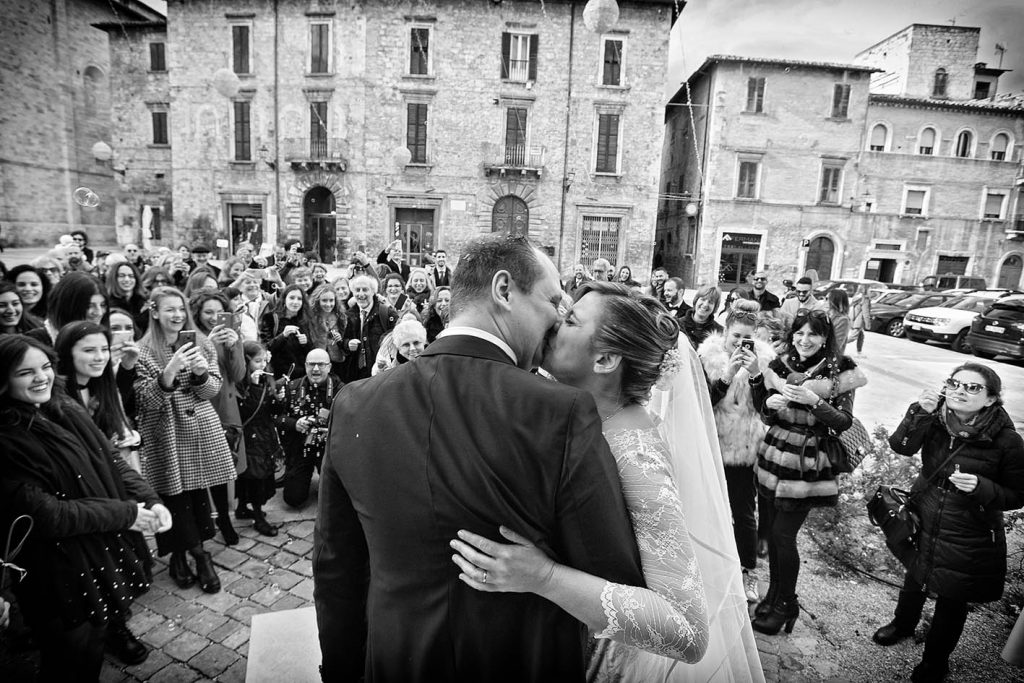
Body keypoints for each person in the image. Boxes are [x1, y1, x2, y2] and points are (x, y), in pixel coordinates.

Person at [314, 235, 647, 682]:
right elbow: (615, 583)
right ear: (504, 290)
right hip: (523, 661)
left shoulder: (355, 402)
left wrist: (341, 670)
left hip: (396, 657)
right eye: (553, 301)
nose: (557, 320)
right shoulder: (560, 411)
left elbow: (337, 567)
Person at [450, 280, 764, 682]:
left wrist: (544, 577)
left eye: (570, 321)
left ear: (605, 360)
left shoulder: (636, 453)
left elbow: (688, 632)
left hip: (599, 662)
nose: (553, 322)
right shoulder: (567, 409)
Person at [0, 335, 171, 679]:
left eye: (46, 367)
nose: (41, 378)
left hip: (95, 551)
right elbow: (49, 514)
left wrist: (150, 499)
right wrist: (128, 515)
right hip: (55, 572)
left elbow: (110, 461)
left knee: (93, 642)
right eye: (25, 373)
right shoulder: (7, 438)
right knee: (68, 658)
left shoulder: (62, 407)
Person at [873, 363, 1024, 682]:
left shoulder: (1008, 441)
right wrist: (918, 411)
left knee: (952, 596)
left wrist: (983, 488)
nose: (960, 391)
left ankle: (935, 663)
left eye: (973, 387)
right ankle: (902, 625)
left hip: (968, 528)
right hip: (925, 510)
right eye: (955, 383)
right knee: (915, 575)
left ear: (991, 399)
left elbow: (1017, 495)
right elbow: (901, 446)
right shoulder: (935, 418)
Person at [750, 308, 861, 635]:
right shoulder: (781, 363)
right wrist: (768, 405)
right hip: (773, 455)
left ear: (825, 337)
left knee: (784, 536)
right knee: (771, 532)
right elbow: (766, 414)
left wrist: (815, 401)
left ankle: (787, 604)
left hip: (807, 462)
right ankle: (772, 596)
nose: (804, 340)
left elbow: (843, 423)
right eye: (799, 333)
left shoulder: (841, 370)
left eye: (812, 333)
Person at [134, 287, 236, 594]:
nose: (177, 315)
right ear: (154, 312)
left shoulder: (201, 343)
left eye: (180, 309)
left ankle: (194, 552)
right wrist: (170, 372)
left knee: (195, 495)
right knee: (171, 494)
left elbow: (212, 391)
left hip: (198, 429)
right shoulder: (143, 350)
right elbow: (144, 399)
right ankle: (190, 554)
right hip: (165, 430)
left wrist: (202, 374)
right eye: (169, 309)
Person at [697, 299, 773, 604]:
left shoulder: (765, 362)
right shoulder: (706, 358)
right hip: (711, 443)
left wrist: (755, 374)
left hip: (743, 446)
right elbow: (702, 404)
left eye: (747, 338)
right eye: (735, 337)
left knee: (742, 511)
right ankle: (708, 565)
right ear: (724, 333)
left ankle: (747, 570)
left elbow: (766, 409)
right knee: (707, 507)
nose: (741, 343)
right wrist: (727, 374)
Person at [191, 290, 247, 546]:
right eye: (208, 313)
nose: (214, 318)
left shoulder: (231, 334)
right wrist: (209, 344)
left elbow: (237, 374)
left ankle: (224, 517)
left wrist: (235, 345)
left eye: (218, 313)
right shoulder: (192, 336)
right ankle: (203, 520)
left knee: (224, 466)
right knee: (199, 466)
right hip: (200, 406)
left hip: (226, 408)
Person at [278, 348, 340, 509]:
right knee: (293, 499)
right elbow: (277, 418)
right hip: (300, 448)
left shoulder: (341, 390)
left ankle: (328, 480)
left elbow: (352, 422)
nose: (316, 369)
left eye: (321, 364)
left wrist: (331, 429)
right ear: (305, 366)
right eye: (311, 364)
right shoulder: (292, 388)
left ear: (329, 367)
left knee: (334, 500)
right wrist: (295, 423)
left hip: (329, 450)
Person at [236, 341, 283, 536]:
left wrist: (279, 398)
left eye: (264, 360)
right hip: (250, 436)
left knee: (257, 474)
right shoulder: (241, 384)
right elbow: (247, 411)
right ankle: (257, 517)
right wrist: (255, 387)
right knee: (254, 476)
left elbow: (274, 411)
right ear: (246, 362)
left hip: (264, 435)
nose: (262, 365)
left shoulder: (267, 378)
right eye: (257, 361)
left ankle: (242, 508)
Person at [340, 274, 398, 382]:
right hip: (356, 375)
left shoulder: (386, 313)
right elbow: (341, 341)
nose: (361, 294)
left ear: (373, 291)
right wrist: (347, 344)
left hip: (380, 373)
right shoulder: (347, 315)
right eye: (357, 290)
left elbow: (396, 340)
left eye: (365, 290)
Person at [27, 271, 107, 345]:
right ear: (68, 306)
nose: (99, 312)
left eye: (103, 305)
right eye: (89, 306)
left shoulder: (104, 338)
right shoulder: (36, 341)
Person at [260, 283, 313, 380]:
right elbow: (265, 348)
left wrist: (306, 343)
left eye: (299, 299)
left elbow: (311, 351)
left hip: (301, 375)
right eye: (292, 298)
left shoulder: (305, 320)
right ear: (284, 299)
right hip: (279, 375)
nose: (295, 302)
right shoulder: (271, 318)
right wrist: (283, 336)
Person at [308, 284, 348, 378]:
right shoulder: (310, 318)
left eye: (331, 300)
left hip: (337, 362)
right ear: (317, 301)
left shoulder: (341, 317)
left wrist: (340, 340)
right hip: (317, 363)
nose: (328, 304)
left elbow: (347, 340)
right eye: (324, 300)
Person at [105, 261, 149, 333]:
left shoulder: (144, 302)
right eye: (122, 276)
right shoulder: (107, 304)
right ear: (114, 279)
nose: (127, 279)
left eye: (131, 276)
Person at [850, 284, 873, 356]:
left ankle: (859, 352)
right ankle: (838, 344)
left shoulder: (857, 297)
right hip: (859, 321)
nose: (871, 292)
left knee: (861, 336)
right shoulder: (865, 299)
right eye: (870, 290)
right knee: (853, 337)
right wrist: (868, 324)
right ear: (866, 290)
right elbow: (866, 313)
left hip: (854, 319)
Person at [826, 288, 851, 354]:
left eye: (827, 299)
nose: (824, 301)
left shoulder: (843, 320)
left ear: (833, 301)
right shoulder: (825, 314)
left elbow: (836, 345)